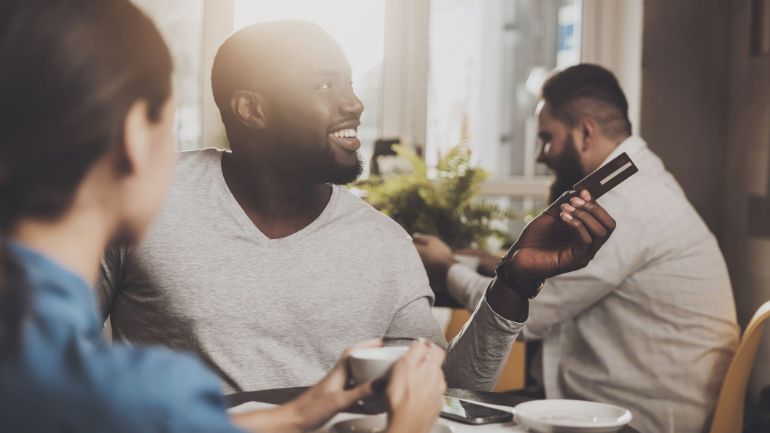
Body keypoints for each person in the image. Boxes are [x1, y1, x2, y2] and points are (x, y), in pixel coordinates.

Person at [0, 1, 448, 432]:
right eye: (169, 123)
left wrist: (297, 415)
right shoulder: (148, 389)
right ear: (136, 137)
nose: (354, 103)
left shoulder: (51, 365)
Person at [98, 21, 617, 393]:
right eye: (325, 85)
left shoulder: (383, 244)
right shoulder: (146, 198)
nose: (354, 102)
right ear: (251, 109)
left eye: (348, 82)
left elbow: (445, 389)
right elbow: (41, 351)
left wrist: (514, 283)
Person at [415, 64, 740, 433]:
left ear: (586, 132)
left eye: (546, 138)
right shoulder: (639, 182)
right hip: (604, 404)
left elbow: (527, 320)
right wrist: (494, 261)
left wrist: (447, 269)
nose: (541, 154)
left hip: (637, 420)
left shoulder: (620, 206)